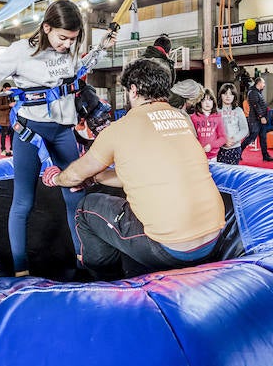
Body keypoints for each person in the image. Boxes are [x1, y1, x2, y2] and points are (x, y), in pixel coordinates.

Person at [0, 0, 116, 277]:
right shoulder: (21, 51)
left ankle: (83, 261)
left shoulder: (71, 49)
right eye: (62, 38)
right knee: (24, 201)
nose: (67, 44)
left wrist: (102, 47)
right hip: (31, 134)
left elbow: (80, 68)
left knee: (75, 197)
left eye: (73, 39)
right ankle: (21, 268)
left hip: (62, 132)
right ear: (46, 28)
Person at [40, 57, 226, 280]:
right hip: (213, 238)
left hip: (171, 249)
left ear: (134, 90)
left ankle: (105, 281)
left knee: (87, 208)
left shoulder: (120, 129)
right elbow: (143, 172)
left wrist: (56, 178)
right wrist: (97, 178)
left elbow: (75, 175)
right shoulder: (182, 120)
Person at [240, 76, 273, 162]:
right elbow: (256, 105)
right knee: (252, 137)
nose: (264, 85)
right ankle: (238, 152)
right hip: (255, 120)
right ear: (258, 83)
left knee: (263, 138)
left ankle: (265, 156)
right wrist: (261, 116)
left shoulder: (258, 92)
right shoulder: (252, 92)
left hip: (260, 120)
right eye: (263, 83)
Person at [190, 88, 226, 163]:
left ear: (213, 101)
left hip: (213, 157)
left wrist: (211, 145)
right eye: (204, 100)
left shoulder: (218, 117)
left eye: (210, 100)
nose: (207, 103)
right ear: (200, 102)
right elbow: (191, 137)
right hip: (198, 156)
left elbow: (223, 138)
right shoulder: (193, 117)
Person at [216, 82, 248, 165]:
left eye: (231, 94)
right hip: (219, 148)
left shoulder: (238, 110)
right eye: (225, 93)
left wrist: (233, 139)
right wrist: (223, 140)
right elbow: (213, 129)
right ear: (220, 95)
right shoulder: (216, 111)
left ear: (234, 96)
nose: (228, 96)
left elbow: (244, 129)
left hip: (235, 148)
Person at [0, 82, 14, 157]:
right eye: (7, 90)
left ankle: (12, 149)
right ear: (3, 89)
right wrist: (9, 105)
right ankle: (3, 150)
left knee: (12, 134)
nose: (8, 91)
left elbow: (13, 103)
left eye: (9, 90)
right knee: (3, 134)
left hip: (10, 117)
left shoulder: (10, 95)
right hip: (3, 118)